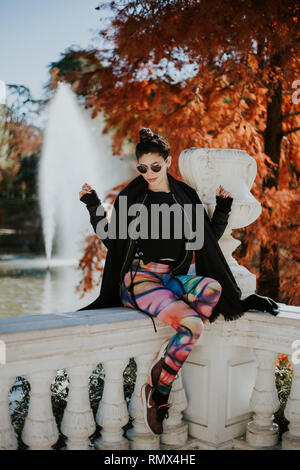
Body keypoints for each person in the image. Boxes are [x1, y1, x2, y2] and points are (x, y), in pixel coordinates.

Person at [79, 127, 279, 436]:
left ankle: (166, 361)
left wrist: (223, 209)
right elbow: (112, 239)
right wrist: (92, 204)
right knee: (193, 326)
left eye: (155, 167)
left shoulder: (184, 197)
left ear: (168, 162)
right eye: (142, 168)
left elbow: (206, 240)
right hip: (139, 281)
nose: (149, 173)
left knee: (213, 289)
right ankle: (158, 393)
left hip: (169, 280)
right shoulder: (134, 196)